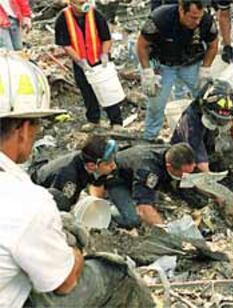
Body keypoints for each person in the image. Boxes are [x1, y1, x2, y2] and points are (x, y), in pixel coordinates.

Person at [0, 53, 154, 308]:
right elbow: (66, 281)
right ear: (24, 128)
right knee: (117, 273)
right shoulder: (28, 201)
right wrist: (74, 249)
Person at [136, 0, 219, 142]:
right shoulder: (160, 18)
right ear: (181, 10)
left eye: (199, 17)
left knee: (207, 96)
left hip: (191, 63)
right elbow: (142, 45)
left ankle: (210, 133)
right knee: (156, 103)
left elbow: (213, 45)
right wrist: (147, 72)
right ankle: (149, 138)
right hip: (164, 64)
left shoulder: (206, 21)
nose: (197, 21)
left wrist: (205, 69)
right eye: (193, 17)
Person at [55, 0, 124, 132]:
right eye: (81, 2)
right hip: (81, 63)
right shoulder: (63, 18)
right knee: (87, 91)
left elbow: (106, 38)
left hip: (99, 60)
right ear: (72, 3)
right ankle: (94, 120)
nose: (84, 4)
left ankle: (116, 121)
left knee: (107, 90)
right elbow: (66, 45)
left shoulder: (95, 14)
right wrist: (80, 61)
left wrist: (104, 54)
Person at [106, 143, 200, 228]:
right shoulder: (148, 170)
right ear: (169, 166)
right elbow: (144, 208)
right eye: (183, 173)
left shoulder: (173, 154)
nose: (186, 177)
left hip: (135, 174)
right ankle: (104, 207)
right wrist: (166, 232)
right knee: (134, 219)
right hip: (117, 179)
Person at [171, 79, 233, 172]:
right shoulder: (191, 123)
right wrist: (209, 181)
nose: (219, 123)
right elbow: (202, 165)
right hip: (183, 155)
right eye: (215, 120)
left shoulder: (226, 107)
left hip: (206, 138)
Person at [31, 135, 118, 211]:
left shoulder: (93, 164)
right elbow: (56, 205)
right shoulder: (68, 176)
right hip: (36, 189)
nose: (114, 166)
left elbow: (97, 183)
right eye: (108, 164)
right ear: (91, 166)